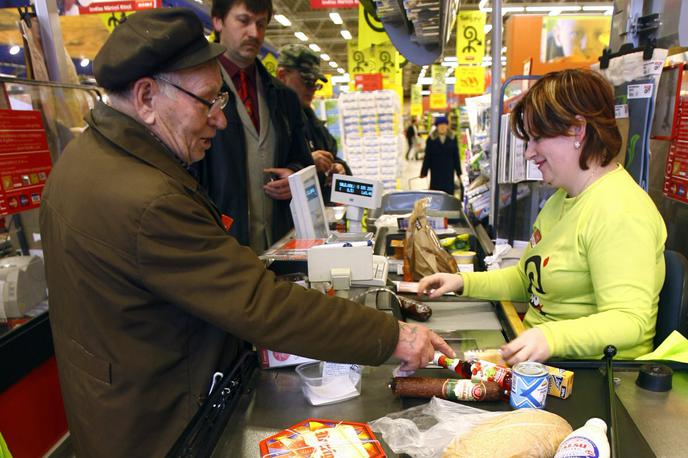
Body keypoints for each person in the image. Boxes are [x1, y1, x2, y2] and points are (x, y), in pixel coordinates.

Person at [39, 9, 453, 457]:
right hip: (158, 426)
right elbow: (259, 303)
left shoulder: (86, 159)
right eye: (208, 101)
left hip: (116, 403)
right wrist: (395, 336)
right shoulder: (144, 199)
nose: (219, 120)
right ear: (145, 98)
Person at [418, 69, 667, 366]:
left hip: (593, 375)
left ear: (578, 130)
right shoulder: (562, 199)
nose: (528, 153)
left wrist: (551, 337)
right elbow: (527, 280)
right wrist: (462, 282)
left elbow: (630, 320)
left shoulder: (619, 210)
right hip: (544, 365)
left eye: (537, 138)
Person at [196, 0, 314, 254]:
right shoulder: (196, 95)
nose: (254, 33)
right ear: (217, 21)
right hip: (221, 247)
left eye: (261, 24)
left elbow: (302, 159)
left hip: (281, 245)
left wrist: (293, 176)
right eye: (244, 20)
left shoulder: (284, 97)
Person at [276, 44, 352, 204]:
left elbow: (330, 151)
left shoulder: (308, 116)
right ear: (282, 75)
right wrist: (307, 162)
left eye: (315, 83)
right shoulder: (272, 119)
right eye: (307, 81)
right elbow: (268, 173)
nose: (312, 89)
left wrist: (338, 167)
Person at [420, 116, 462, 198]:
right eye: (440, 125)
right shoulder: (431, 138)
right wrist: (424, 172)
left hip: (449, 171)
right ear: (437, 126)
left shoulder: (453, 137)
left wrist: (459, 172)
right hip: (436, 171)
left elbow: (456, 156)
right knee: (436, 193)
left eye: (444, 125)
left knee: (448, 193)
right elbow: (427, 157)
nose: (442, 127)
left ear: (447, 126)